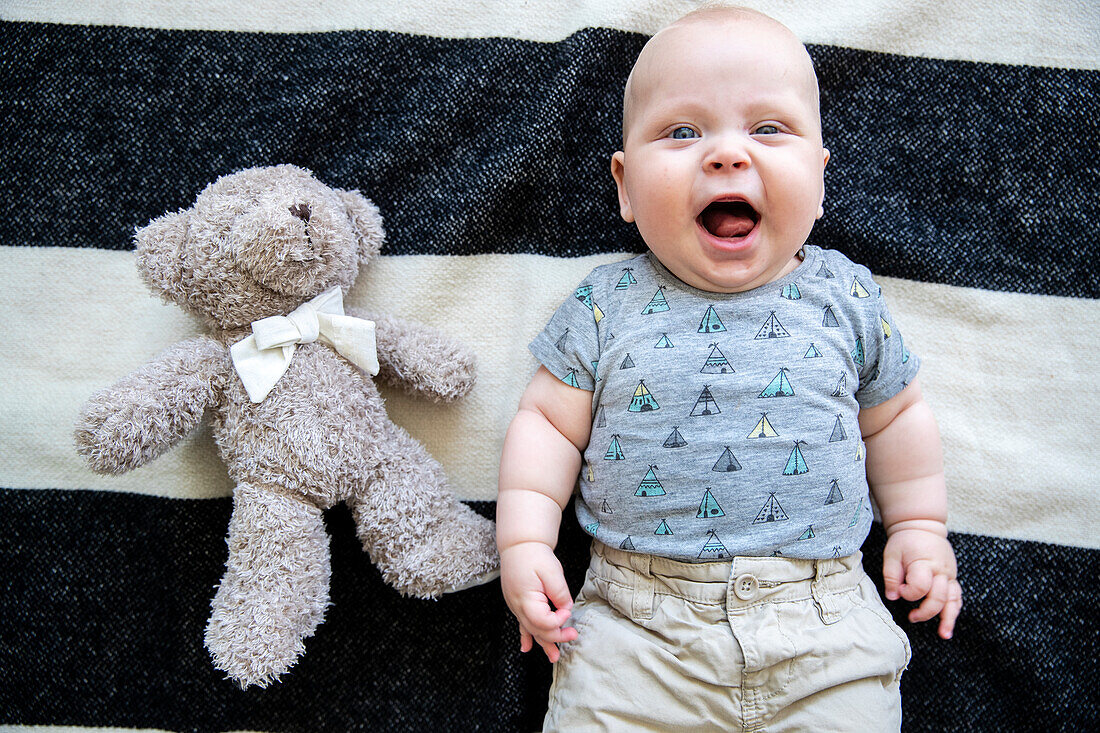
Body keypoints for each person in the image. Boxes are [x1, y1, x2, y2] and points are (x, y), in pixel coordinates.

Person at [497, 5, 962, 730]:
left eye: (768, 129)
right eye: (682, 132)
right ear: (624, 185)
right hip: (635, 631)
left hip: (824, 627)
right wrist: (523, 540)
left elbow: (897, 412)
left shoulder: (846, 296)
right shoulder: (605, 303)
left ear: (820, 178)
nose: (725, 153)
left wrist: (921, 524)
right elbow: (547, 425)